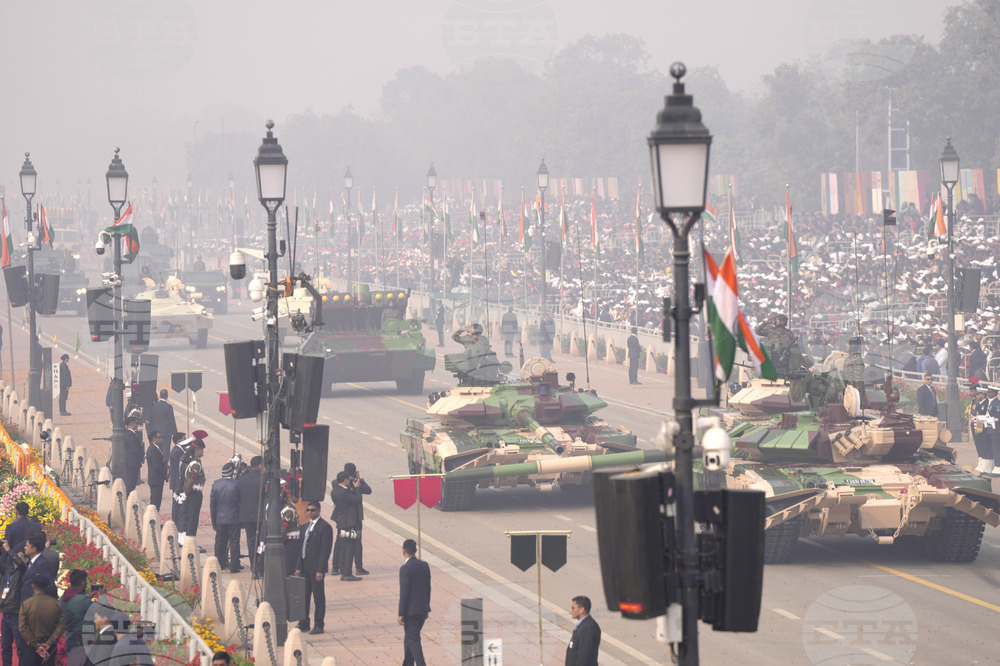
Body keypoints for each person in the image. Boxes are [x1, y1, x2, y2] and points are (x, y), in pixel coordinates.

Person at [295, 501, 333, 635]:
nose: (310, 512)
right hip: (305, 567)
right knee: (304, 596)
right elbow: (302, 547)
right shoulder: (306, 527)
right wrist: (298, 566)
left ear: (319, 510)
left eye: (313, 510)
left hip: (316, 568)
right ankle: (304, 622)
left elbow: (325, 550)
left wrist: (320, 569)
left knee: (318, 597)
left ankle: (318, 624)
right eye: (308, 510)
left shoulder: (325, 527)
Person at [331, 463, 370, 576]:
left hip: (341, 517)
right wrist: (357, 482)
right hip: (353, 518)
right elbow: (364, 493)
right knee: (354, 542)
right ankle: (357, 567)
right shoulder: (353, 482)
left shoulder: (336, 483)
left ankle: (336, 567)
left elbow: (369, 490)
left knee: (340, 542)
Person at [17, 574, 64, 666]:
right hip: (49, 648)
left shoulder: (26, 604)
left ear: (32, 586)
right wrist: (49, 642)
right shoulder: (56, 604)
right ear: (46, 587)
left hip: (30, 648)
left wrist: (35, 645)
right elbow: (61, 625)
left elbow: (22, 628)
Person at [398, 538, 430, 666]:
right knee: (409, 638)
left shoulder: (405, 569)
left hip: (410, 612)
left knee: (413, 640)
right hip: (422, 609)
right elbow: (428, 588)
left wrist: (401, 613)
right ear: (416, 550)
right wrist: (427, 606)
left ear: (403, 551)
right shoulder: (424, 565)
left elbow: (404, 593)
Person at [329, 471, 363, 581]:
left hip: (341, 522)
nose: (350, 481)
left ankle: (343, 571)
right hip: (349, 522)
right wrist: (357, 488)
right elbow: (358, 499)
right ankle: (347, 573)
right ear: (345, 480)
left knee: (342, 547)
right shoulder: (345, 493)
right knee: (349, 547)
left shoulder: (335, 491)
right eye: (348, 479)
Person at [209, 461, 242, 573]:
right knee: (234, 541)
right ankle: (234, 565)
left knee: (220, 541)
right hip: (234, 517)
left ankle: (219, 563)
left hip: (220, 518)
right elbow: (240, 502)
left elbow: (213, 505)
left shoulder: (216, 484)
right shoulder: (236, 484)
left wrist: (214, 521)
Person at [0, 545, 27, 666]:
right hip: (5, 613)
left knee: (20, 646)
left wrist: (8, 549)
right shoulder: (8, 571)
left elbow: (20, 563)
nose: (17, 558)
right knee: (5, 646)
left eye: (21, 556)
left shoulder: (23, 571)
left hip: (16, 614)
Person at [236, 456, 263, 575]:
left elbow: (237, 498)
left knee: (251, 542)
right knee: (261, 542)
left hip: (247, 517)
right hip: (261, 517)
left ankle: (253, 567)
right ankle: (260, 566)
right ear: (260, 466)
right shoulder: (264, 479)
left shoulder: (241, 480)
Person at [179, 435, 207, 545]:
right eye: (202, 450)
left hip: (191, 493)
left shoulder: (192, 462)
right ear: (198, 450)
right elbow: (190, 481)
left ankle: (187, 539)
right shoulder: (195, 465)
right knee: (193, 518)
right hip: (194, 493)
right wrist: (186, 493)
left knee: (189, 516)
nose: (203, 452)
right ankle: (191, 541)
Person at [59, 569, 91, 664]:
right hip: (81, 642)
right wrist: (103, 595)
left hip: (70, 640)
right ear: (82, 583)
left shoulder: (62, 598)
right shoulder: (83, 600)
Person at [565, 595, 601, 666]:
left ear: (581, 609)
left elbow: (584, 657)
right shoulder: (584, 625)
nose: (570, 610)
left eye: (573, 608)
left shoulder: (587, 628)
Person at [168, 432, 189, 526]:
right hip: (177, 482)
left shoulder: (179, 450)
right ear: (179, 441)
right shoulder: (177, 452)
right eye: (184, 439)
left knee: (179, 503)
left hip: (177, 481)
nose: (186, 441)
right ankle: (175, 522)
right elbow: (179, 468)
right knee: (177, 504)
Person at [145, 431, 168, 512]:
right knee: (155, 502)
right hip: (156, 480)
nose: (161, 439)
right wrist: (165, 473)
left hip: (157, 479)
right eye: (159, 437)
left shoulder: (156, 448)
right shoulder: (153, 450)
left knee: (156, 501)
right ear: (154, 439)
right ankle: (152, 519)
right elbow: (156, 466)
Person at [123, 415, 145, 496]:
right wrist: (142, 455)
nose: (137, 424)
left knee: (133, 482)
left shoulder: (133, 433)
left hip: (134, 462)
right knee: (131, 483)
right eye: (136, 423)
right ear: (131, 424)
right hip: (132, 463)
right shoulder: (129, 435)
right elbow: (135, 449)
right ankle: (128, 497)